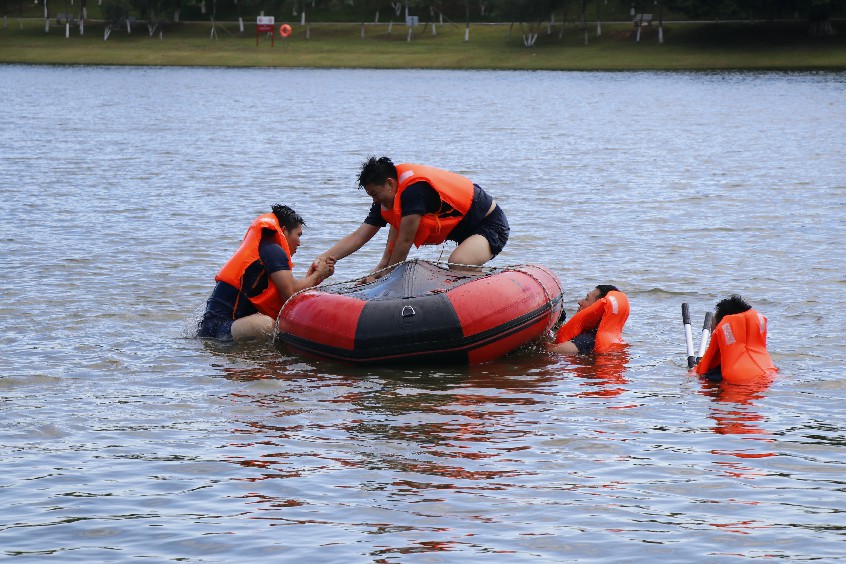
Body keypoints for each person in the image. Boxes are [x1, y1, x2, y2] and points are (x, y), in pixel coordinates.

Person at [317, 156, 509, 278]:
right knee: (454, 265)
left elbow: (405, 241)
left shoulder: (414, 191)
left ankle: (495, 286)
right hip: (464, 230)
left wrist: (387, 277)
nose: (374, 200)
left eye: (375, 194)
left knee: (458, 263)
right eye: (370, 196)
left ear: (390, 183)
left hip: (490, 224)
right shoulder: (385, 200)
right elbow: (359, 236)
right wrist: (325, 257)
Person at [197, 204, 334, 342]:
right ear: (284, 231)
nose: (299, 243)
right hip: (219, 327)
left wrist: (317, 277)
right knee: (266, 325)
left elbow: (290, 294)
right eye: (298, 235)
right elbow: (291, 293)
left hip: (215, 326)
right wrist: (318, 274)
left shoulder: (266, 248)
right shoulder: (273, 250)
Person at [695, 295, 776, 384]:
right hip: (770, 380)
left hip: (737, 386)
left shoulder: (716, 373)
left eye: (713, 330)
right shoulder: (766, 364)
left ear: (721, 333)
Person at [547, 285, 629, 355]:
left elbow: (552, 350)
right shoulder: (606, 338)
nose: (580, 302)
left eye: (586, 299)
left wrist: (541, 339)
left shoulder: (587, 339)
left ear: (597, 309)